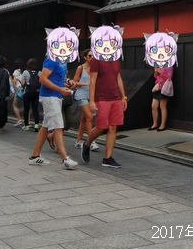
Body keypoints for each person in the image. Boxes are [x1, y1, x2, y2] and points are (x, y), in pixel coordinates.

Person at [28, 27, 79, 169]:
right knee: (58, 126)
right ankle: (65, 159)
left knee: (45, 127)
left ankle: (35, 156)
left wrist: (68, 83)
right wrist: (60, 89)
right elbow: (43, 79)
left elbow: (55, 79)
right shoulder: (51, 58)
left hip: (54, 96)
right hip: (50, 97)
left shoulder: (62, 59)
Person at [81, 25, 127, 168]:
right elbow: (93, 81)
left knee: (113, 127)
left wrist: (123, 97)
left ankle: (107, 158)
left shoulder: (116, 58)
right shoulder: (96, 60)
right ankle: (87, 144)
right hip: (102, 98)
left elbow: (119, 78)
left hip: (115, 98)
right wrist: (92, 101)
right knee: (101, 127)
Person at [71, 49, 99, 151]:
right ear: (85, 57)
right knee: (89, 117)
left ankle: (78, 141)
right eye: (90, 56)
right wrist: (86, 84)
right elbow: (74, 82)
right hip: (81, 95)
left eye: (93, 56)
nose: (92, 58)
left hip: (91, 96)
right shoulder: (81, 68)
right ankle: (91, 142)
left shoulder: (96, 68)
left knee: (84, 119)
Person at [149, 65, 173, 131]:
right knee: (153, 106)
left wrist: (160, 71)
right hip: (157, 87)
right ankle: (155, 123)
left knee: (162, 106)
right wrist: (156, 72)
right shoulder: (159, 64)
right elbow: (156, 76)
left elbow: (169, 77)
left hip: (164, 88)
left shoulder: (169, 66)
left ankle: (162, 125)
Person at [21, 58, 42, 131]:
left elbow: (23, 83)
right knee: (35, 109)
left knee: (26, 109)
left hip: (27, 92)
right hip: (36, 92)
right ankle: (36, 124)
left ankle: (26, 125)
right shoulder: (40, 72)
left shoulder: (25, 72)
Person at [11, 59, 26, 127]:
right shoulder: (25, 71)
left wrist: (10, 79)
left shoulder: (16, 71)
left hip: (18, 90)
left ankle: (19, 119)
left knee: (14, 105)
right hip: (25, 89)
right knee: (26, 106)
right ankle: (27, 121)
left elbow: (14, 82)